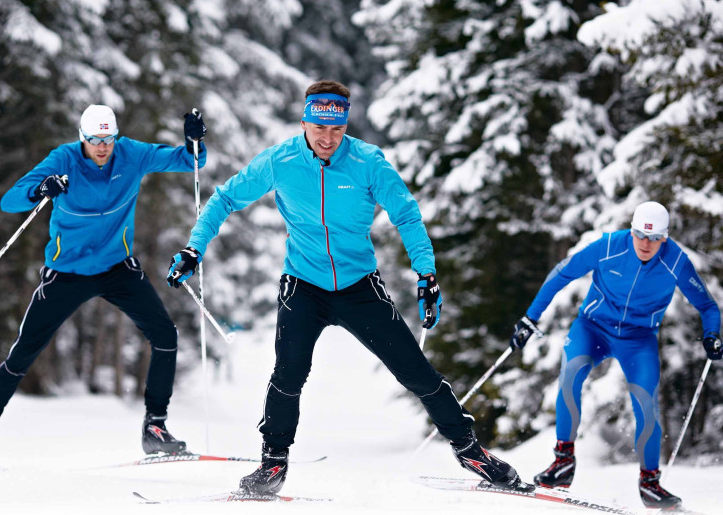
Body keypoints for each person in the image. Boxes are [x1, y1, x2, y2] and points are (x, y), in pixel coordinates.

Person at [166, 80, 527, 495]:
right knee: (288, 374)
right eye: (319, 128)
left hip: (359, 287)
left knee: (416, 371)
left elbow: (406, 215)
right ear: (304, 122)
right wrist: (194, 249)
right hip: (303, 284)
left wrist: (426, 275)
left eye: (336, 130)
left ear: (345, 126)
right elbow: (225, 198)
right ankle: (273, 464)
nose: (327, 138)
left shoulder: (368, 161)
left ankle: (470, 450)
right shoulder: (280, 160)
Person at [0, 104, 209, 466]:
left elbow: (189, 161)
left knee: (165, 335)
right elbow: (10, 200)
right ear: (82, 137)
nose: (103, 147)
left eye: (108, 139)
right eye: (95, 140)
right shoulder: (63, 160)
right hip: (67, 272)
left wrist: (193, 142)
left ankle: (154, 428)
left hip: (117, 266)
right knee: (24, 351)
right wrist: (40, 189)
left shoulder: (131, 154)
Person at [509, 201, 722, 509]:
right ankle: (563, 462)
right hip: (593, 327)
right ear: (631, 230)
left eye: (655, 238)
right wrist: (531, 317)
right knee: (570, 376)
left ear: (665, 236)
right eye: (640, 235)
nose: (646, 244)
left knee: (646, 403)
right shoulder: (609, 246)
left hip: (638, 338)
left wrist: (712, 334)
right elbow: (562, 273)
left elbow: (707, 306)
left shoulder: (676, 261)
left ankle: (650, 483)